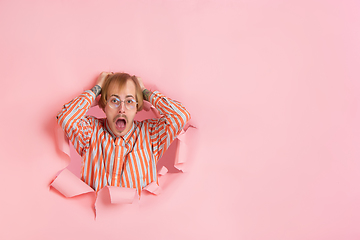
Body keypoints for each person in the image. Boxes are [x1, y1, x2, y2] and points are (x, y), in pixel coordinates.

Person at [56, 72, 191, 196]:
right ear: (104, 105)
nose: (122, 109)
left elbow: (181, 116)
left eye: (129, 101)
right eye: (114, 101)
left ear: (138, 106)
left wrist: (146, 93)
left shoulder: (151, 134)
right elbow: (66, 117)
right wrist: (96, 89)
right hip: (96, 221)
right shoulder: (90, 132)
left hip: (138, 220)